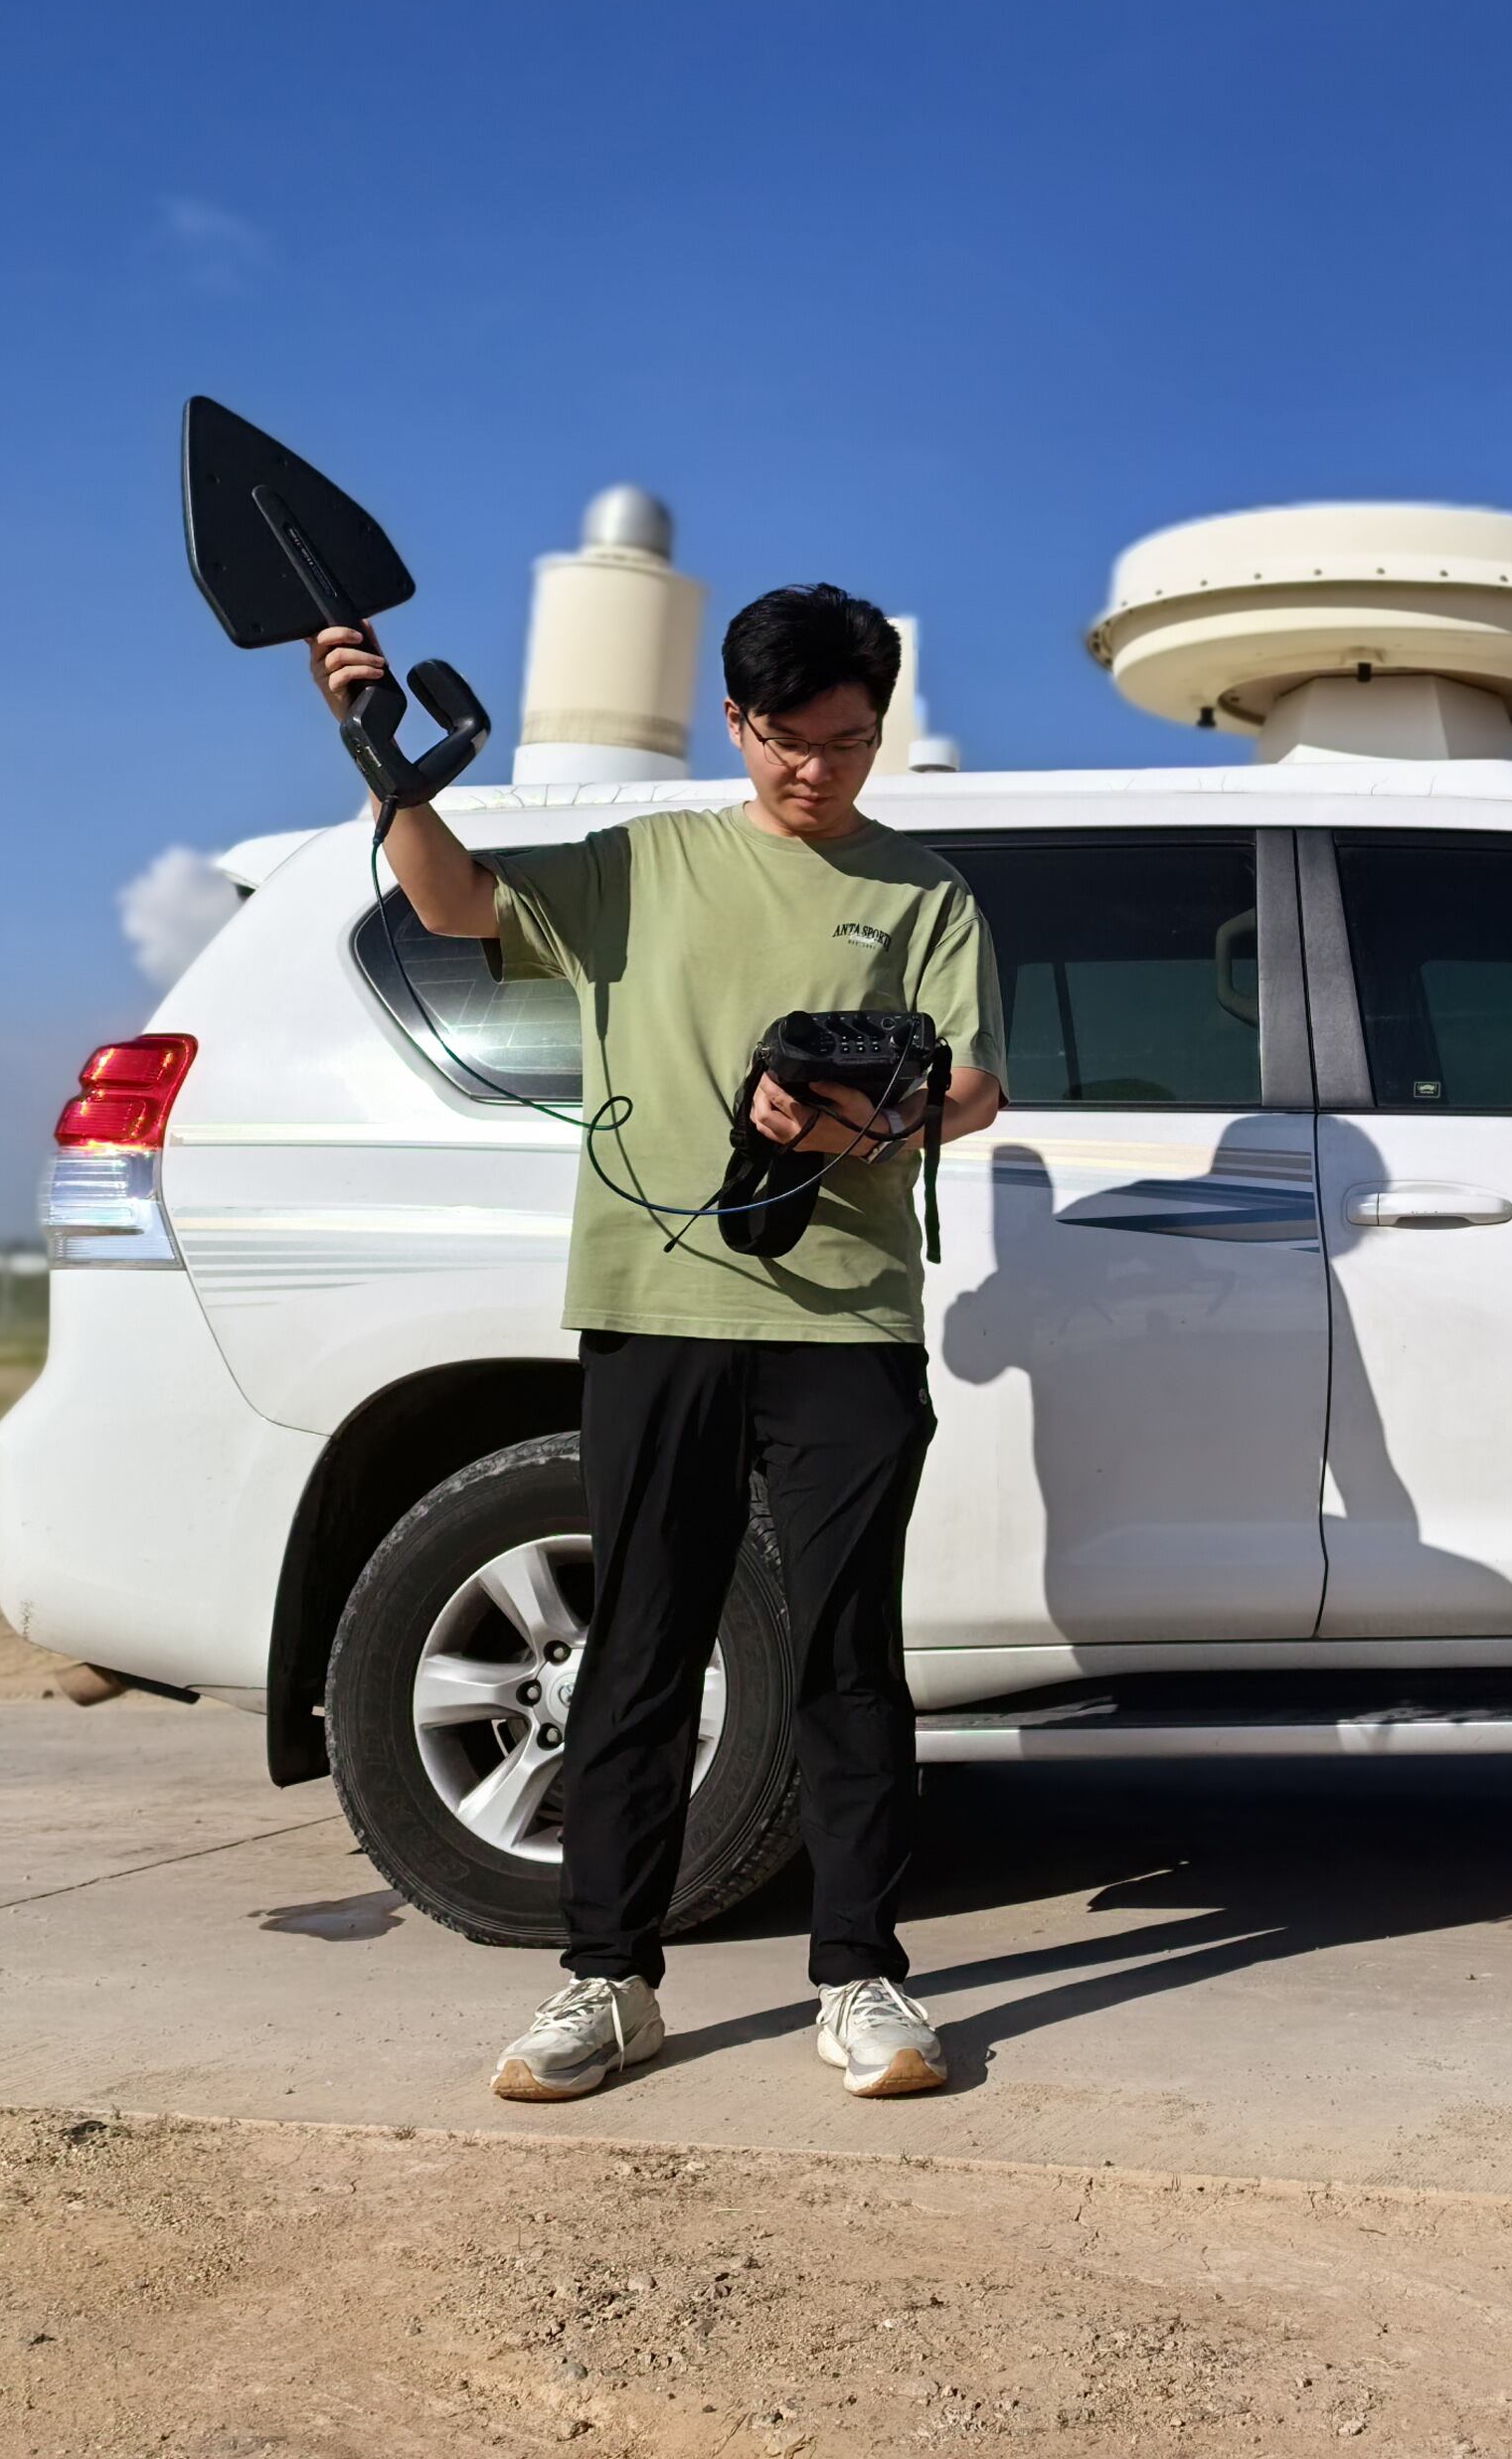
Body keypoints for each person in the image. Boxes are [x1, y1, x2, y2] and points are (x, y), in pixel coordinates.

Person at [309, 582, 1003, 2102]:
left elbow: (969, 1090)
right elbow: (451, 902)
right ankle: (607, 1983)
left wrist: (859, 1115)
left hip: (847, 1319)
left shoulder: (927, 892)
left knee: (842, 1649)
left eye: (850, 740)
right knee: (643, 1644)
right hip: (656, 1304)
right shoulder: (645, 864)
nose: (819, 771)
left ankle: (863, 1979)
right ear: (737, 724)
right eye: (789, 741)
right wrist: (382, 759)